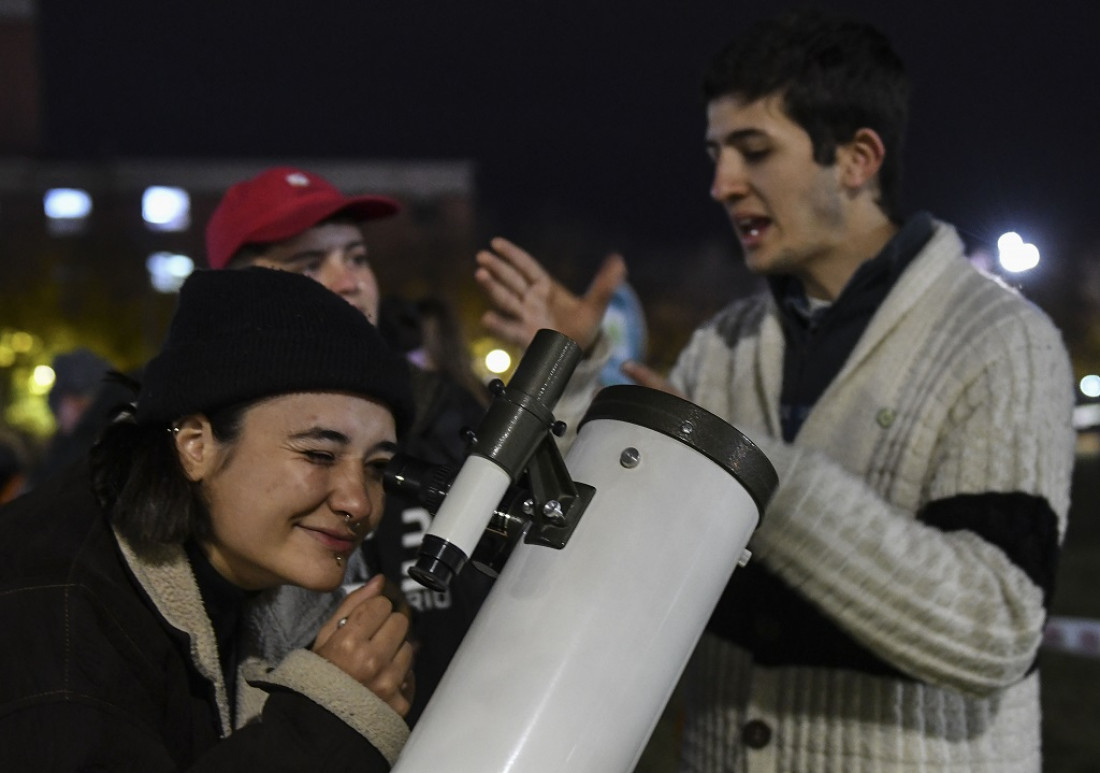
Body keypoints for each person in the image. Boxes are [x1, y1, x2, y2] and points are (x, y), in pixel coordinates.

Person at [473, 10, 1075, 772]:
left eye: (754, 150)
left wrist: (756, 473)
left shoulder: (1002, 340)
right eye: (716, 153)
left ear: (857, 159)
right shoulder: (723, 344)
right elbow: (616, 550)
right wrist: (573, 381)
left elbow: (994, 626)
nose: (721, 185)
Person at [0, 267, 417, 770]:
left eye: (377, 467)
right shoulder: (57, 608)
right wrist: (325, 721)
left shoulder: (276, 582)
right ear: (195, 446)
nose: (359, 502)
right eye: (318, 455)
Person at [205, 167, 492, 725]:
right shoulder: (208, 449)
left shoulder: (443, 412)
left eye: (356, 257)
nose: (349, 281)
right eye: (309, 265)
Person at [27, 346, 113, 487]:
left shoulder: (101, 451)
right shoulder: (52, 452)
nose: (78, 407)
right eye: (73, 398)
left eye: (87, 398)